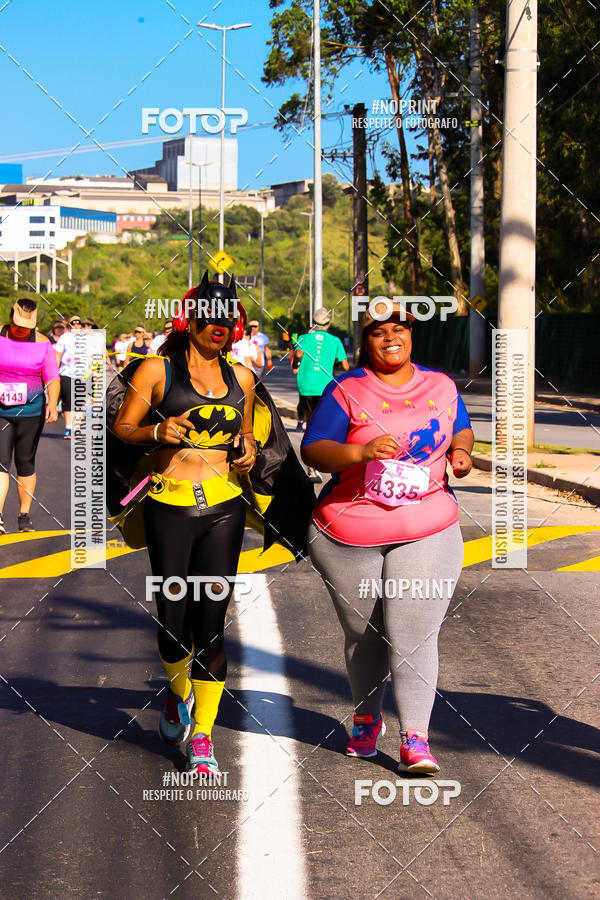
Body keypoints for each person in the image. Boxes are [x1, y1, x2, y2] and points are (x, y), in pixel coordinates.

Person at [301, 299, 474, 775]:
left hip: (427, 523)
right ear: (366, 340)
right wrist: (360, 450)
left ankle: (415, 738)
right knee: (364, 635)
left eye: (400, 328)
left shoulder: (439, 384)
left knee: (413, 632)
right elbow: (313, 449)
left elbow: (462, 429)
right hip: (350, 528)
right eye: (379, 331)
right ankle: (365, 717)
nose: (391, 336)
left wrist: (460, 452)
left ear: (412, 335)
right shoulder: (346, 388)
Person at [112, 272, 258, 778]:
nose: (219, 326)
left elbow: (247, 436)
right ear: (191, 319)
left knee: (212, 623)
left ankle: (202, 737)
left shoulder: (242, 378)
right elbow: (123, 427)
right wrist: (158, 428)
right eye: (210, 316)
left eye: (228, 318)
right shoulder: (157, 370)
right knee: (173, 620)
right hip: (168, 506)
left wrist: (248, 452)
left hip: (224, 507)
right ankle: (177, 696)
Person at [0, 299, 59, 533]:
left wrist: (53, 403)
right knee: (1, 462)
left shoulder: (43, 343)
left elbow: (52, 377)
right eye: (17, 325)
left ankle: (24, 515)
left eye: (25, 327)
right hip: (1, 411)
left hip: (31, 412)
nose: (20, 330)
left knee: (25, 462)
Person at [294, 307, 349, 481]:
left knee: (310, 425)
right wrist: (332, 364)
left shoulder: (304, 338)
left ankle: (311, 469)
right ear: (329, 324)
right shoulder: (335, 341)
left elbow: (298, 354)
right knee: (328, 425)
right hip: (326, 388)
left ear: (313, 324)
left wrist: (297, 361)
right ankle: (332, 463)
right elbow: (346, 366)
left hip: (307, 387)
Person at [54, 314, 83, 439]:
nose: (76, 325)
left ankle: (77, 429)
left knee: (79, 402)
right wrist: (54, 372)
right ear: (69, 325)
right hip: (66, 372)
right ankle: (69, 428)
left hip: (82, 374)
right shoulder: (64, 338)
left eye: (78, 322)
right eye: (73, 323)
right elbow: (58, 356)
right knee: (69, 400)